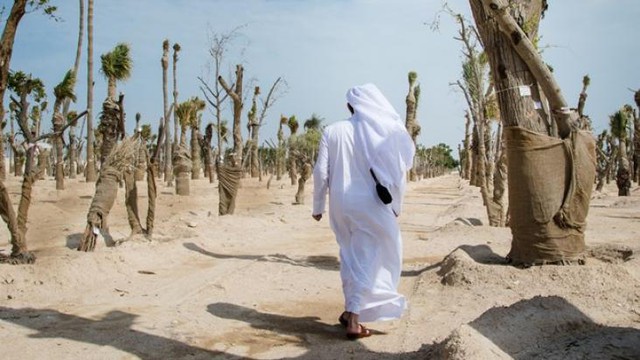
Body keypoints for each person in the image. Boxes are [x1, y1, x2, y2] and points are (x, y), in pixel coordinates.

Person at [312, 83, 415, 340]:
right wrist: (396, 205)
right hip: (371, 206)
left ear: (349, 106)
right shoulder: (383, 133)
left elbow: (320, 172)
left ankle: (349, 311)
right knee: (368, 258)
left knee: (350, 257)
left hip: (340, 206)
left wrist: (317, 206)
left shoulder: (332, 130)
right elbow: (398, 175)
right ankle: (355, 322)